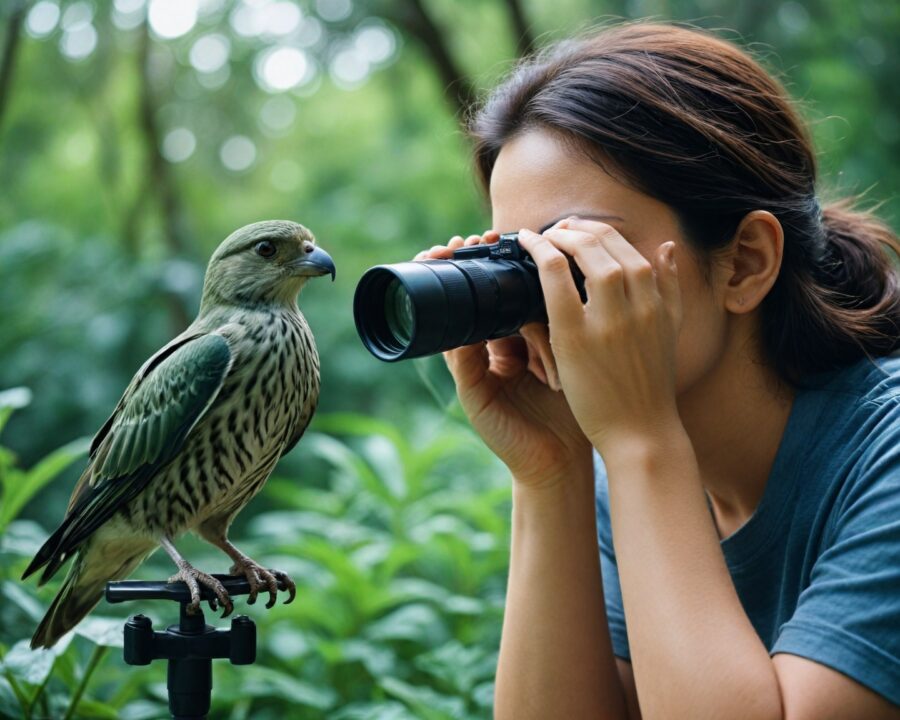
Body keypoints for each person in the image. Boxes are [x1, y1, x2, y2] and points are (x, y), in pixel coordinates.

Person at [416, 21, 900, 720]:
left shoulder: (882, 455)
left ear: (746, 263)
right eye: (516, 261)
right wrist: (550, 474)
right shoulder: (633, 476)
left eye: (577, 252)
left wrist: (640, 440)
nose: (542, 298)